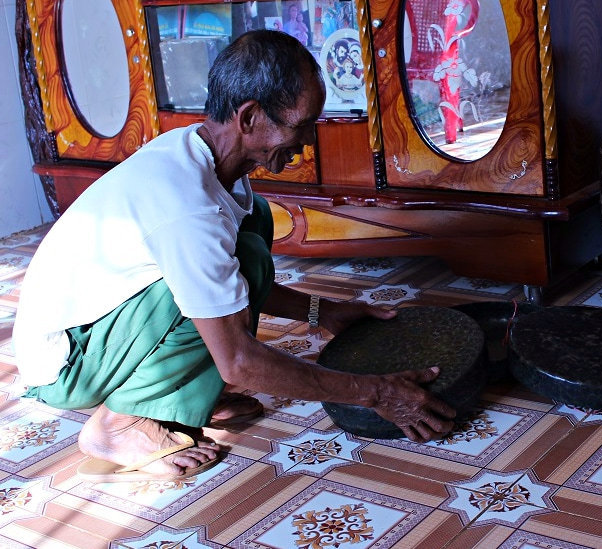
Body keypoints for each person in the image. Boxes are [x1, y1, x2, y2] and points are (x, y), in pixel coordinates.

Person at [12, 30, 456, 482]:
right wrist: (376, 393)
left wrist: (325, 310)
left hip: (102, 328)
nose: (307, 140)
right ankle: (119, 424)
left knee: (249, 236)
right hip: (67, 362)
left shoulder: (206, 157)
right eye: (300, 125)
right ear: (248, 118)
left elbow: (235, 278)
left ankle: (181, 392)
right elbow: (239, 360)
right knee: (207, 283)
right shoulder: (187, 206)